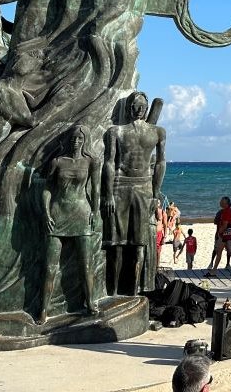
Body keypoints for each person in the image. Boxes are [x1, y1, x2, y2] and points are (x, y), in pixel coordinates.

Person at [103, 90, 167, 295]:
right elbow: (109, 163)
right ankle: (112, 290)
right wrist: (108, 194)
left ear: (147, 108)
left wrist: (156, 193)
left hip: (144, 187)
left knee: (139, 243)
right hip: (120, 186)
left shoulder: (157, 132)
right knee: (116, 242)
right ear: (129, 108)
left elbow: (160, 162)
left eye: (142, 107)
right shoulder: (116, 132)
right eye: (135, 106)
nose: (139, 110)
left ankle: (134, 289)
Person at [38, 124, 100, 324]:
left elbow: (97, 189)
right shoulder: (57, 161)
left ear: (85, 141)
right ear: (67, 140)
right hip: (58, 215)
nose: (76, 142)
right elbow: (47, 189)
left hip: (82, 214)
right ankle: (43, 309)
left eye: (80, 139)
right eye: (73, 138)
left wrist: (96, 211)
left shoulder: (91, 162)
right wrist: (46, 213)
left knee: (86, 264)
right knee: (50, 267)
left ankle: (90, 303)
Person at [206, 196, 231, 277]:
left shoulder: (226, 212)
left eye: (222, 202)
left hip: (225, 234)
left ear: (226, 204)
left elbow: (225, 225)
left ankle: (214, 271)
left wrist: (219, 233)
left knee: (219, 251)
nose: (220, 203)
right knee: (229, 251)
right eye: (221, 202)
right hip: (229, 234)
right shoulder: (227, 211)